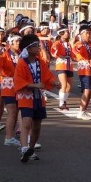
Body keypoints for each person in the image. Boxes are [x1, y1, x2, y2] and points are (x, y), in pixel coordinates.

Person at [15, 34, 60, 162]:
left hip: (38, 97)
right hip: (26, 96)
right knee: (26, 122)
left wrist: (54, 82)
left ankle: (31, 148)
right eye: (36, 46)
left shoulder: (40, 63)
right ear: (28, 49)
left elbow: (47, 76)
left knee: (37, 126)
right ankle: (24, 148)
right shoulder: (21, 64)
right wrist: (33, 84)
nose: (38, 48)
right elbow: (18, 81)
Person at [72, 24, 91, 120]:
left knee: (89, 90)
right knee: (87, 89)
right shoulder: (78, 44)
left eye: (90, 33)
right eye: (87, 33)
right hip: (84, 68)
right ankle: (81, 110)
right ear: (81, 34)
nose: (89, 35)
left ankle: (84, 110)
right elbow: (76, 52)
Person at [51, 27, 73, 111]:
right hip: (61, 64)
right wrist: (58, 53)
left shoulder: (68, 44)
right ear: (61, 33)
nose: (67, 33)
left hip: (69, 64)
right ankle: (61, 103)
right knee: (63, 84)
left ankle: (63, 101)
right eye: (66, 32)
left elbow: (72, 54)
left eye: (68, 32)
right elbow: (53, 51)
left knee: (69, 86)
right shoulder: (57, 43)